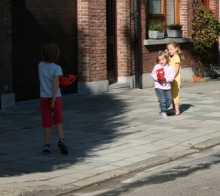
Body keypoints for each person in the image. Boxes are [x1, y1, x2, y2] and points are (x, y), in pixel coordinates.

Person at [38, 43, 68, 155]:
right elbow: (55, 83)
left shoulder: (40, 65)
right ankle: (61, 139)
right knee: (58, 119)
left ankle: (46, 145)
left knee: (46, 122)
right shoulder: (57, 68)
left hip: (44, 97)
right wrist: (54, 98)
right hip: (55, 97)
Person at [151, 51, 175, 119]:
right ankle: (163, 112)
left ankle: (162, 110)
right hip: (159, 86)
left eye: (162, 60)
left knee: (170, 99)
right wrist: (157, 78)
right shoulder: (157, 66)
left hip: (167, 86)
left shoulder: (170, 67)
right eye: (159, 60)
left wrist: (166, 79)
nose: (161, 61)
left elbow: (172, 77)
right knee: (162, 100)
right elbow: (153, 74)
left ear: (167, 59)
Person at [166, 42, 185, 115]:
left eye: (171, 49)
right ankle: (174, 109)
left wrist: (172, 77)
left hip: (175, 80)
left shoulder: (176, 57)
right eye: (168, 49)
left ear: (176, 49)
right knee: (172, 95)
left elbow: (176, 70)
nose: (169, 50)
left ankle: (177, 110)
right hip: (171, 80)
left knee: (175, 95)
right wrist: (166, 54)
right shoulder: (170, 57)